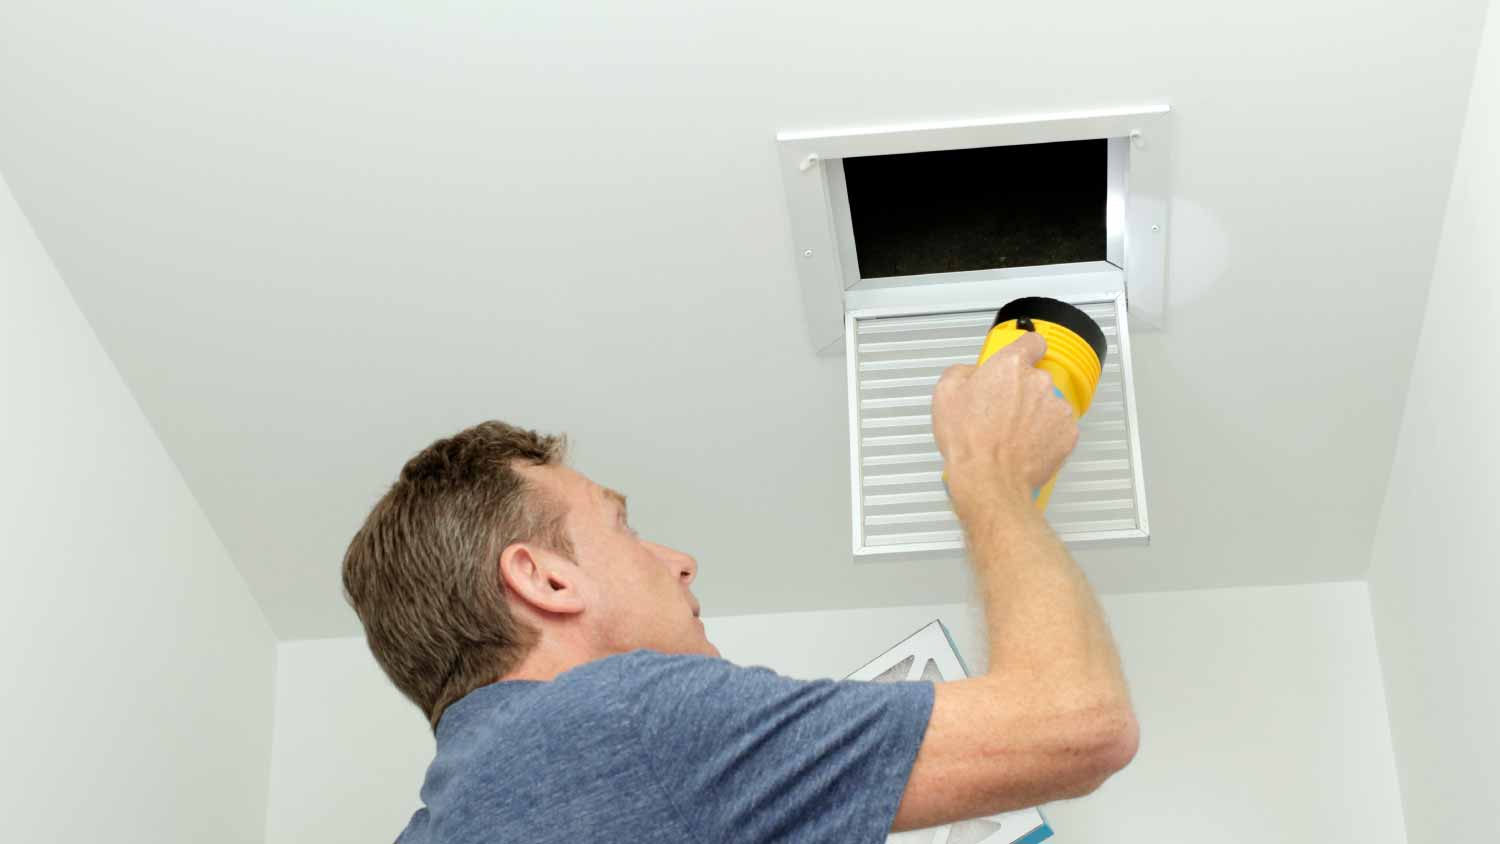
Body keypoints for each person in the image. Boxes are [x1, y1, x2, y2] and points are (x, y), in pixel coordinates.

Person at [342, 331, 1138, 842]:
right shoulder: (623, 719)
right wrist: (992, 477)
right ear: (544, 578)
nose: (680, 561)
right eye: (621, 527)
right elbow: (1078, 724)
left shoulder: (451, 815)